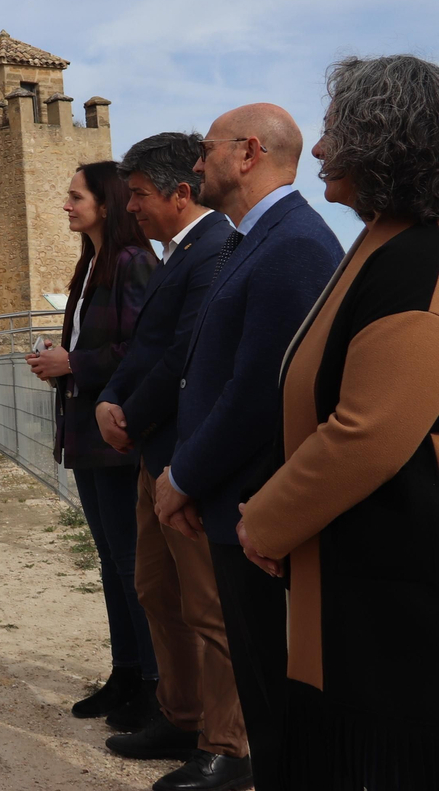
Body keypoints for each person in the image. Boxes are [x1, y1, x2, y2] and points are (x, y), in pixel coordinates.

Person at [238, 56, 439, 789]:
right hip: (361, 562)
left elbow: (368, 433)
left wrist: (266, 523)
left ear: (385, 140)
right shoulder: (386, 239)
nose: (319, 149)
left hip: (397, 581)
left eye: (334, 132)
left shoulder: (419, 256)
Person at [151, 104, 342, 791]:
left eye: (206, 148)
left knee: (274, 695)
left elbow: (259, 392)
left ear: (248, 152)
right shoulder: (255, 237)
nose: (196, 162)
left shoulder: (292, 243)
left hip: (256, 509)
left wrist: (184, 477)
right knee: (263, 693)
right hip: (233, 501)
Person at [95, 134, 249, 791]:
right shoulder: (179, 254)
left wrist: (129, 417)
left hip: (187, 459)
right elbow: (143, 349)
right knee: (157, 591)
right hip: (155, 456)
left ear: (179, 193)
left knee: (208, 608)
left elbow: (186, 352)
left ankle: (229, 745)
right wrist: (109, 398)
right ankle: (181, 716)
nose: (130, 208)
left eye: (138, 195)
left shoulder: (216, 250)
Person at [26, 161, 159, 731]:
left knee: (132, 564)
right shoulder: (91, 264)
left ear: (105, 203)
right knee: (111, 561)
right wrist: (58, 364)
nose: (66, 205)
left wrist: (73, 363)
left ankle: (155, 686)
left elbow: (147, 350)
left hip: (117, 437)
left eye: (75, 196)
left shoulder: (133, 263)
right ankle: (126, 673)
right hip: (85, 433)